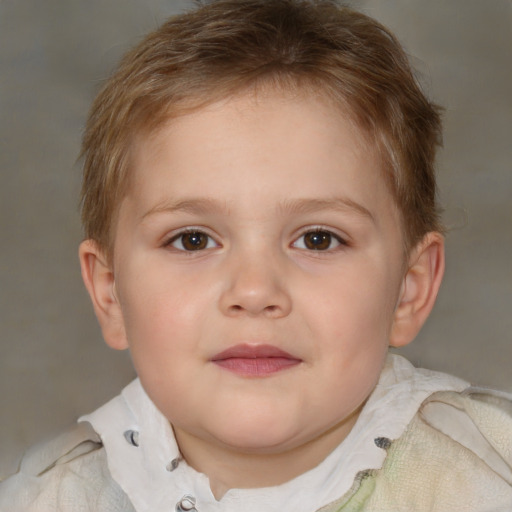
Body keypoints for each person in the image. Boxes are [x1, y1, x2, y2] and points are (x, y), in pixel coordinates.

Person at [1, 0, 511, 510]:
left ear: (409, 287)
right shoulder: (52, 500)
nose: (253, 291)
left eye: (318, 239)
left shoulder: (487, 475)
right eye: (193, 240)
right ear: (111, 292)